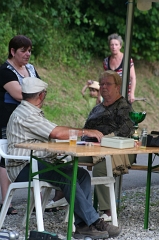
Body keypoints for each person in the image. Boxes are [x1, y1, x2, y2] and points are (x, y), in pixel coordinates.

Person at [6, 77, 121, 239]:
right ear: (41, 95)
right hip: (23, 168)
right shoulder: (26, 114)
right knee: (67, 176)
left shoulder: (30, 111)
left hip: (37, 163)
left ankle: (83, 225)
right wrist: (86, 132)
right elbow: (57, 133)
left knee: (80, 175)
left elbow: (54, 131)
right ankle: (93, 221)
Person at [80, 70, 135, 222]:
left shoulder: (123, 106)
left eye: (108, 84)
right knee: (64, 158)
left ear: (117, 87)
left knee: (102, 167)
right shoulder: (97, 108)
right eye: (102, 84)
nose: (103, 87)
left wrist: (103, 139)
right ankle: (63, 197)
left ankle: (108, 211)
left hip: (119, 149)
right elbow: (86, 128)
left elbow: (127, 130)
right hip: (91, 147)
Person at [0, 35, 40, 215]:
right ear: (12, 51)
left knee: (36, 154)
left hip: (31, 120)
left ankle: (37, 202)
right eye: (23, 51)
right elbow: (18, 94)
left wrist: (35, 94)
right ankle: (6, 202)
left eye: (29, 51)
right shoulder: (5, 70)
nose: (27, 54)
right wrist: (34, 94)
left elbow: (41, 92)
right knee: (6, 158)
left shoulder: (30, 68)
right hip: (8, 120)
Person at [103, 33, 136, 103]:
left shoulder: (127, 59)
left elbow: (132, 78)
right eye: (112, 45)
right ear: (109, 46)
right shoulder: (106, 61)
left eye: (116, 44)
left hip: (125, 95)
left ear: (120, 46)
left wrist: (132, 94)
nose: (114, 47)